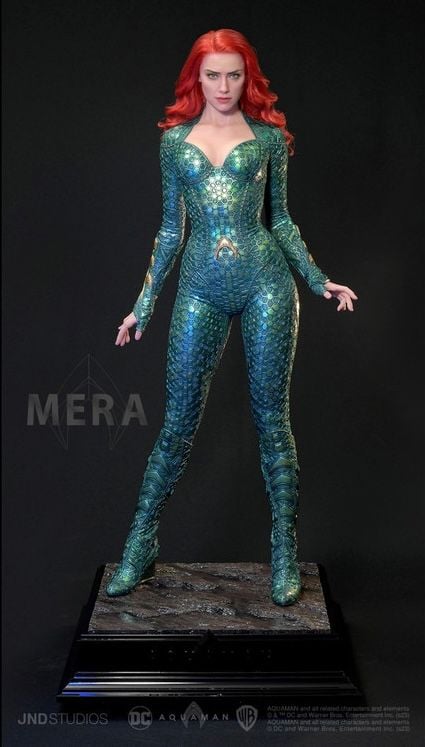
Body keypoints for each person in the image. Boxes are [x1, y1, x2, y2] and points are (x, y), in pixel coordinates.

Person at [106, 29, 357, 605]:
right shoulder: (174, 143)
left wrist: (317, 279)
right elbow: (170, 229)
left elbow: (281, 221)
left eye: (234, 75)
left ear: (249, 78)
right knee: (177, 423)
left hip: (266, 283)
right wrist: (143, 304)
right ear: (196, 77)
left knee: (272, 421)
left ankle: (284, 553)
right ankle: (140, 544)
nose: (224, 86)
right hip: (200, 288)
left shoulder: (267, 139)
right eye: (213, 74)